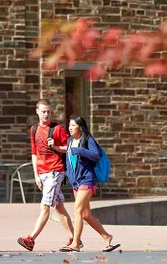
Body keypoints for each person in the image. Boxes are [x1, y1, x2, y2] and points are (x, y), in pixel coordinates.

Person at [17, 99, 80, 252]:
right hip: (43, 173)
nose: (46, 114)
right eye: (43, 111)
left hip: (55, 171)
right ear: (37, 112)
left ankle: (30, 240)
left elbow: (71, 147)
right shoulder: (34, 129)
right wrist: (36, 175)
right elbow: (34, 154)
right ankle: (75, 239)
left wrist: (56, 147)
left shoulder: (57, 129)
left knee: (45, 206)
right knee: (59, 207)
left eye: (49, 112)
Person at [61, 115, 120, 253]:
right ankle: (107, 236)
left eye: (73, 125)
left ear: (80, 127)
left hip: (87, 180)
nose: (70, 128)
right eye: (69, 125)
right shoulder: (70, 141)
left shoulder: (88, 139)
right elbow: (70, 162)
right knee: (86, 215)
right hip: (76, 182)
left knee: (77, 211)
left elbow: (96, 155)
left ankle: (75, 243)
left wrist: (79, 150)